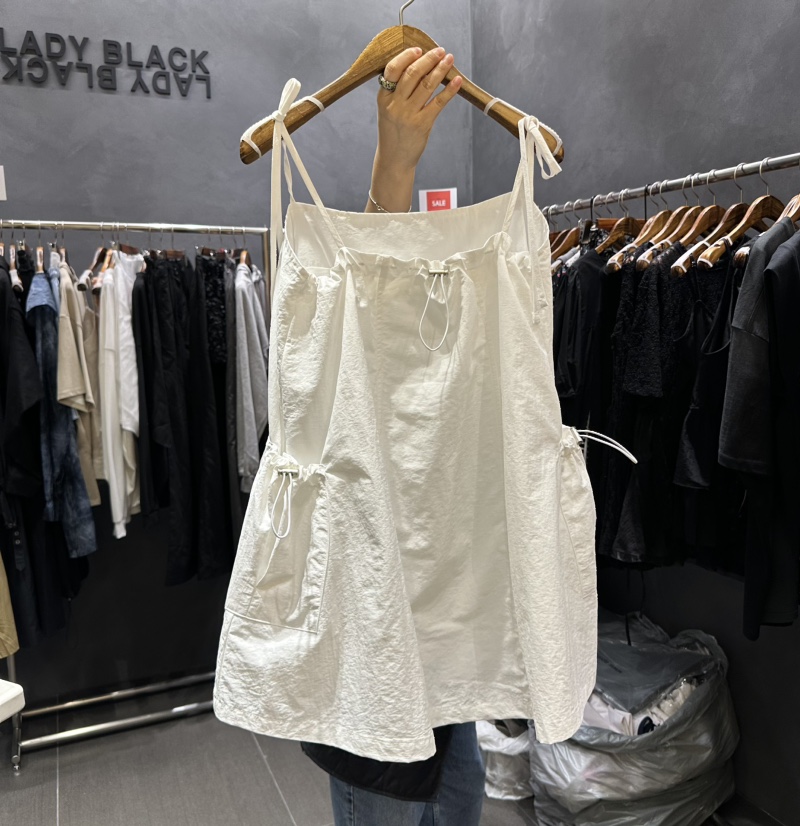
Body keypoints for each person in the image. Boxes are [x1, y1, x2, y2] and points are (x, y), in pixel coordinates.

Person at [299, 46, 487, 826]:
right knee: (389, 798)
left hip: (442, 631)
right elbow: (364, 336)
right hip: (371, 642)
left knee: (463, 794)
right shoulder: (335, 341)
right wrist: (394, 169)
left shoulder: (456, 332)